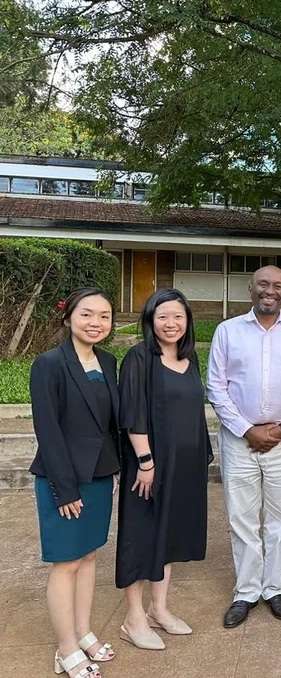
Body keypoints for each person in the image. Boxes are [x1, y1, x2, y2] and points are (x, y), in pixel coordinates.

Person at [208, 265, 281, 628]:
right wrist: (246, 430)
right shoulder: (227, 331)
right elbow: (216, 387)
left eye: (277, 286)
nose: (269, 291)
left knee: (279, 519)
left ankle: (274, 588)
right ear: (250, 288)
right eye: (263, 284)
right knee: (241, 519)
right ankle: (246, 592)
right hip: (238, 440)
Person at [30, 287, 120, 678]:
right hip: (63, 479)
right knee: (66, 562)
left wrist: (114, 468)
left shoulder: (109, 362)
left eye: (103, 315)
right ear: (68, 318)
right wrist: (64, 488)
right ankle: (65, 648)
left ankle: (83, 633)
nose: (95, 322)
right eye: (87, 314)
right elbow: (47, 430)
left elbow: (110, 424)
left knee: (88, 556)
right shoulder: (49, 364)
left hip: (100, 476)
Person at [116, 289, 213, 650]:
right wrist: (145, 462)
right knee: (141, 537)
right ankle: (133, 618)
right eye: (162, 317)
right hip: (150, 466)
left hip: (184, 465)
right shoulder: (139, 358)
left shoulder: (190, 359)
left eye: (177, 317)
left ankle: (159, 609)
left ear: (187, 321)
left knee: (169, 539)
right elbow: (132, 413)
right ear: (150, 320)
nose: (170, 324)